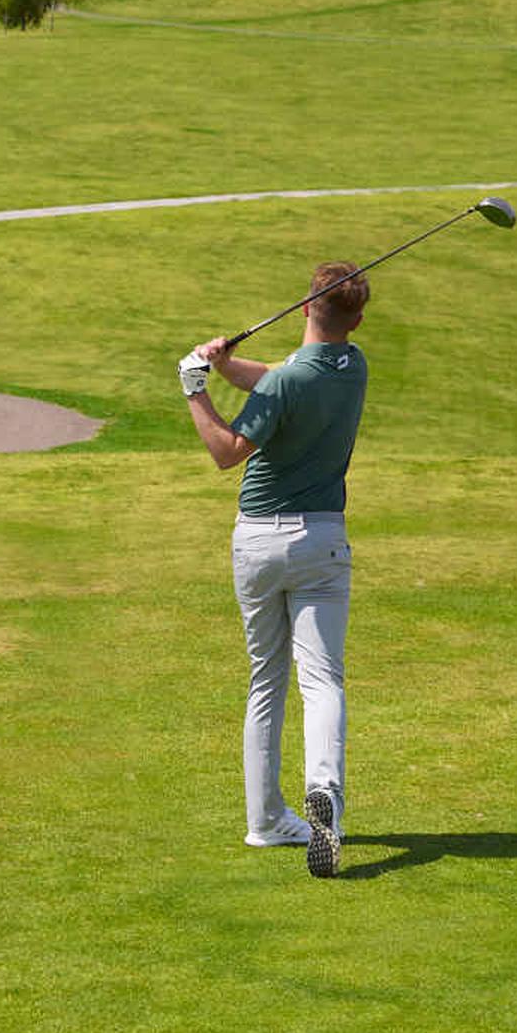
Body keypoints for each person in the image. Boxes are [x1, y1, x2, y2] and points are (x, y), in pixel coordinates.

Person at [182, 263, 373, 877]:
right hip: (322, 541)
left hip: (260, 542)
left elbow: (225, 453)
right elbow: (279, 382)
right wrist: (226, 365)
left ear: (303, 308)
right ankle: (327, 799)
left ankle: (265, 822)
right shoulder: (354, 367)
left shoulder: (287, 384)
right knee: (323, 680)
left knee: (267, 681)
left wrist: (196, 388)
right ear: (357, 319)